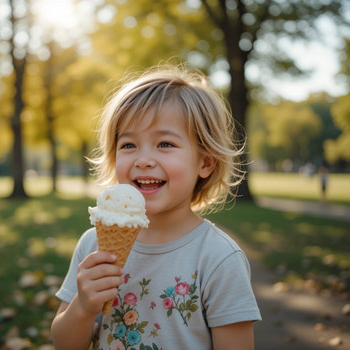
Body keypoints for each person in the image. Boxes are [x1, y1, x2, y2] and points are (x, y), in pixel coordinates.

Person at [50, 65, 261, 349]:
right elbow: (64, 344)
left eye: (164, 143)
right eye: (128, 145)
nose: (144, 159)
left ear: (205, 163)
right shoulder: (94, 246)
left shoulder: (218, 258)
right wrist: (83, 307)